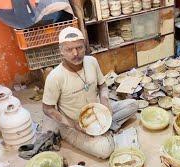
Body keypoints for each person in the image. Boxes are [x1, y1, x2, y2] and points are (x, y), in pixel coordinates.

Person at [42, 27, 138, 159]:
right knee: (105, 150)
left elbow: (102, 85)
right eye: (69, 49)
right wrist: (74, 125)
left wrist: (105, 102)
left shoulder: (91, 62)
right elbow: (47, 109)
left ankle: (103, 130)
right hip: (73, 124)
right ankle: (104, 133)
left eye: (79, 47)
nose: (75, 53)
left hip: (98, 113)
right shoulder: (55, 77)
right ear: (61, 51)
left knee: (133, 105)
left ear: (85, 46)